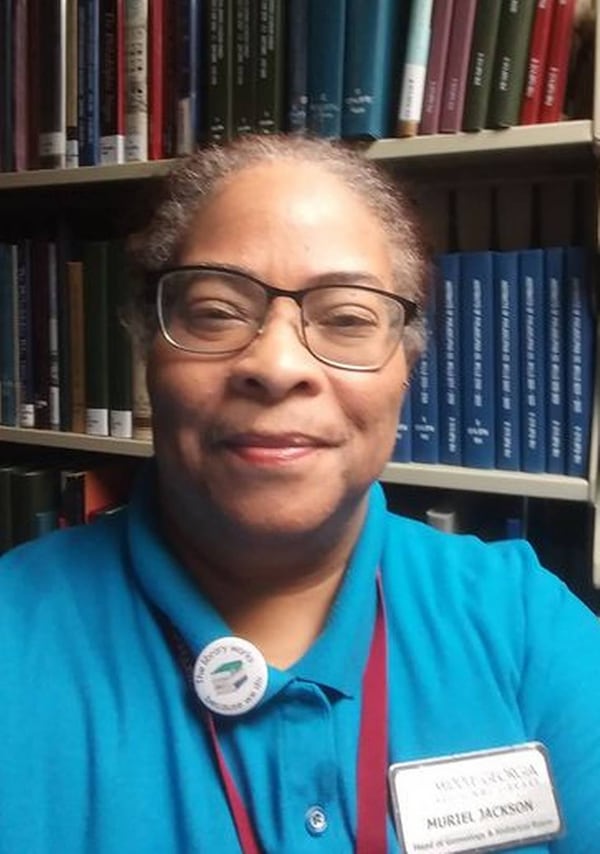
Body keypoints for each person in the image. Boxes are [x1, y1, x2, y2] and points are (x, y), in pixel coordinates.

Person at [1, 135, 599, 854]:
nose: (278, 365)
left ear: (407, 364)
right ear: (145, 348)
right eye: (217, 311)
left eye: (346, 318)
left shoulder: (525, 625)